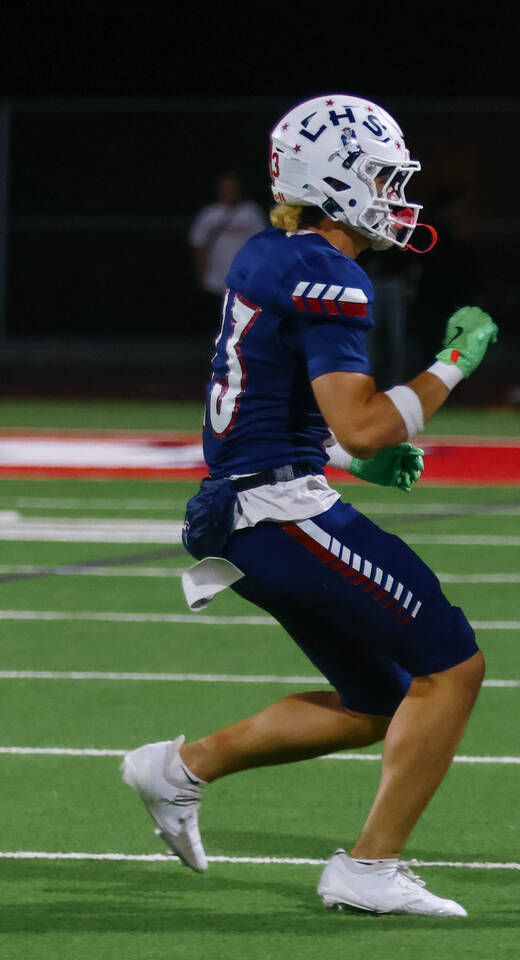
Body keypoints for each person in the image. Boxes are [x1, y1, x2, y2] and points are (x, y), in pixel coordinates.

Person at [120, 94, 498, 917]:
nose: (397, 196)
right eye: (381, 178)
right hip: (277, 514)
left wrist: (340, 454)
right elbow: (361, 425)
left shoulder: (269, 252)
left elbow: (278, 400)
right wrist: (455, 364)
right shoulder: (329, 272)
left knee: (377, 702)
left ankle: (180, 769)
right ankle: (368, 868)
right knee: (453, 663)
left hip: (246, 502)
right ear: (333, 182)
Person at [189, 173, 267, 318]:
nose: (229, 191)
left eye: (232, 188)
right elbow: (199, 245)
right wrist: (201, 272)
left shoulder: (251, 213)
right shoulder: (209, 214)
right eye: (226, 188)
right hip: (216, 275)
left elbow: (263, 244)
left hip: (244, 275)